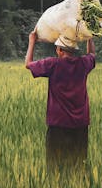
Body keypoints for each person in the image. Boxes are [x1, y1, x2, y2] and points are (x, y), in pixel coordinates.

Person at [24, 28, 96, 173]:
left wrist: (32, 41)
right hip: (80, 124)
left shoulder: (53, 64)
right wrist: (89, 37)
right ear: (73, 50)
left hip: (58, 124)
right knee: (79, 165)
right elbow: (92, 54)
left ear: (60, 51)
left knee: (55, 166)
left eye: (57, 48)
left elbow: (28, 64)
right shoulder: (83, 64)